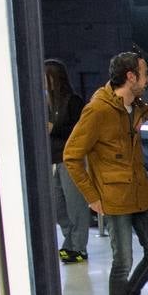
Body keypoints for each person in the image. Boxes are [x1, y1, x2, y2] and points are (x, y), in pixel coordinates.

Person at [63, 51, 148, 295]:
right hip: (114, 196)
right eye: (144, 74)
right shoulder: (98, 110)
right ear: (130, 76)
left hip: (140, 193)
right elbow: (71, 155)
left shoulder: (134, 107)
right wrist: (91, 196)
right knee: (122, 261)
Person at [45, 59, 89, 264]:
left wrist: (55, 129)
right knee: (58, 206)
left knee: (75, 205)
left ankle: (77, 247)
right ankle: (69, 241)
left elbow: (80, 131)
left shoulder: (73, 101)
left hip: (70, 160)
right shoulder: (44, 103)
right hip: (52, 159)